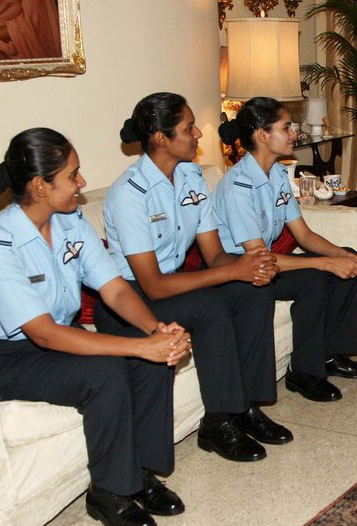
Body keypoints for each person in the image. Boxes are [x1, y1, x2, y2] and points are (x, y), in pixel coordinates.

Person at [0, 128, 192, 526]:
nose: (82, 183)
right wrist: (141, 347)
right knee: (106, 371)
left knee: (150, 358)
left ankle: (141, 471)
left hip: (60, 336)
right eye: (73, 175)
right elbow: (44, 335)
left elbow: (114, 287)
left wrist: (156, 331)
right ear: (40, 185)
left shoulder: (70, 221)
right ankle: (110, 492)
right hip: (7, 355)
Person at [98, 92, 289, 464]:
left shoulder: (190, 177)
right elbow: (152, 284)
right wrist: (232, 269)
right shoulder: (130, 193)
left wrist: (247, 268)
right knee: (210, 306)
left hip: (171, 284)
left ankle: (246, 406)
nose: (199, 135)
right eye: (189, 128)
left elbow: (214, 254)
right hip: (132, 298)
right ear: (160, 138)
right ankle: (218, 424)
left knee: (253, 292)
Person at [213, 97, 357, 403]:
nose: (294, 134)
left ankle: (331, 356)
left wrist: (340, 256)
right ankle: (303, 372)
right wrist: (324, 264)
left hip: (265, 261)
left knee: (345, 259)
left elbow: (303, 234)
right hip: (241, 271)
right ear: (262, 135)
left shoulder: (276, 175)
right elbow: (258, 257)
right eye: (286, 127)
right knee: (313, 278)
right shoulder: (238, 186)